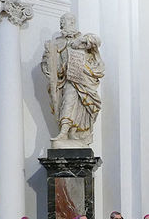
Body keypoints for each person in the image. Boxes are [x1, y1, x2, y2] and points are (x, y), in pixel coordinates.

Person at [41, 13, 105, 145]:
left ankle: (72, 132)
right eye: (62, 22)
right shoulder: (57, 43)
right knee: (68, 101)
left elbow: (96, 41)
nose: (63, 24)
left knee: (81, 106)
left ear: (72, 22)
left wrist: (81, 42)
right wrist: (49, 61)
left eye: (65, 21)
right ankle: (64, 131)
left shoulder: (83, 39)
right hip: (68, 79)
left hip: (83, 78)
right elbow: (50, 65)